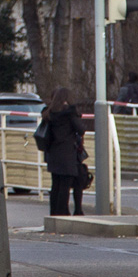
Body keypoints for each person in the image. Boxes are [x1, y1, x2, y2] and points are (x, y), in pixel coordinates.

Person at [41, 86, 86, 216]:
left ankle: (54, 212)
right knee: (65, 185)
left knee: (56, 184)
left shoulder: (49, 114)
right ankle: (63, 212)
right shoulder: (69, 114)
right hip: (67, 153)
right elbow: (81, 129)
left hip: (53, 153)